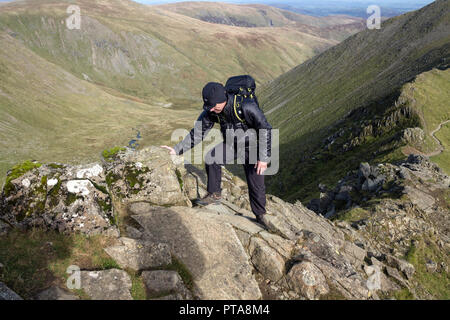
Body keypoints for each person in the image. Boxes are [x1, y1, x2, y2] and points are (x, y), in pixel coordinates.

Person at [161, 80, 272, 228]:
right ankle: (214, 194)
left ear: (224, 99)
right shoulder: (211, 111)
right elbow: (197, 133)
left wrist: (263, 158)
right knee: (211, 158)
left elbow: (265, 129)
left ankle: (260, 216)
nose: (212, 110)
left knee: (255, 182)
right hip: (231, 144)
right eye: (209, 107)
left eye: (214, 106)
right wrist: (176, 150)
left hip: (251, 147)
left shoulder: (246, 106)